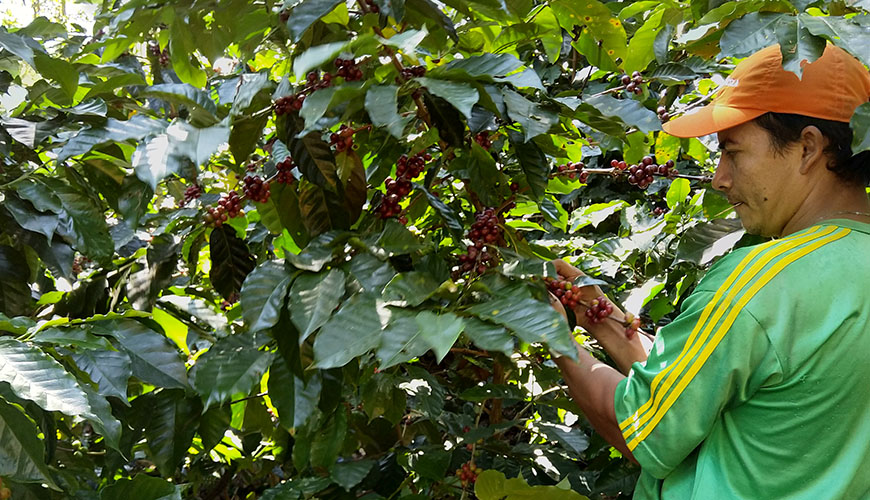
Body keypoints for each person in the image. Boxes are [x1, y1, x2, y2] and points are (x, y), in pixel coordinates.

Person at [551, 43, 870, 499]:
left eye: (732, 152)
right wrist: (606, 322)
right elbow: (698, 388)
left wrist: (551, 334)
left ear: (808, 148)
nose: (720, 178)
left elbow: (640, 429)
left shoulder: (760, 283)